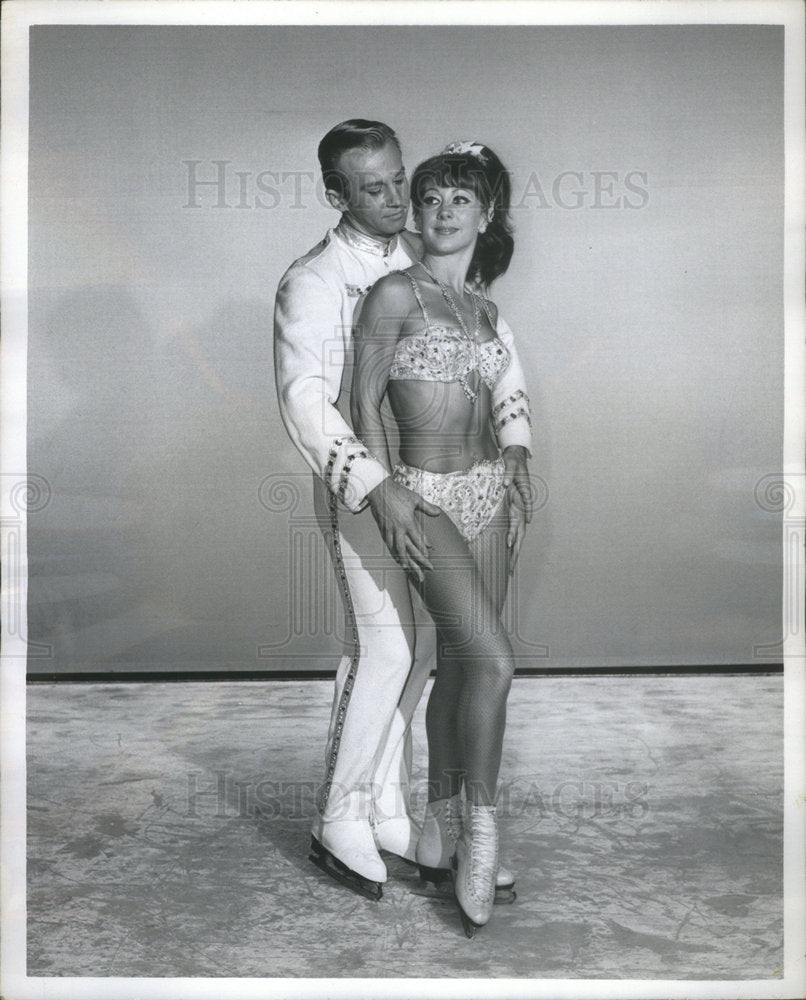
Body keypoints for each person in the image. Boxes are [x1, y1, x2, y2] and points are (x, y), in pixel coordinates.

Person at [274, 121, 533, 903]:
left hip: (432, 484)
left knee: (427, 657)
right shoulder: (314, 280)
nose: (397, 200)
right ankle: (340, 814)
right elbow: (307, 401)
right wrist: (375, 483)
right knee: (386, 649)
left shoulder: (423, 263)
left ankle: (394, 808)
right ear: (337, 194)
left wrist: (515, 445)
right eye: (376, 188)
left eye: (399, 183)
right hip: (361, 487)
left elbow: (497, 358)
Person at [349, 141, 531, 935]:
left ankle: (438, 830)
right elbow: (360, 407)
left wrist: (518, 455)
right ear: (416, 215)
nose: (443, 210)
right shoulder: (393, 294)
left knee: (461, 668)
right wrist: (382, 491)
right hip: (422, 498)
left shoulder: (486, 309)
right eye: (429, 199)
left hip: (491, 495)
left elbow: (503, 396)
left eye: (460, 198)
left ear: (485, 214)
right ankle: (483, 835)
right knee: (494, 660)